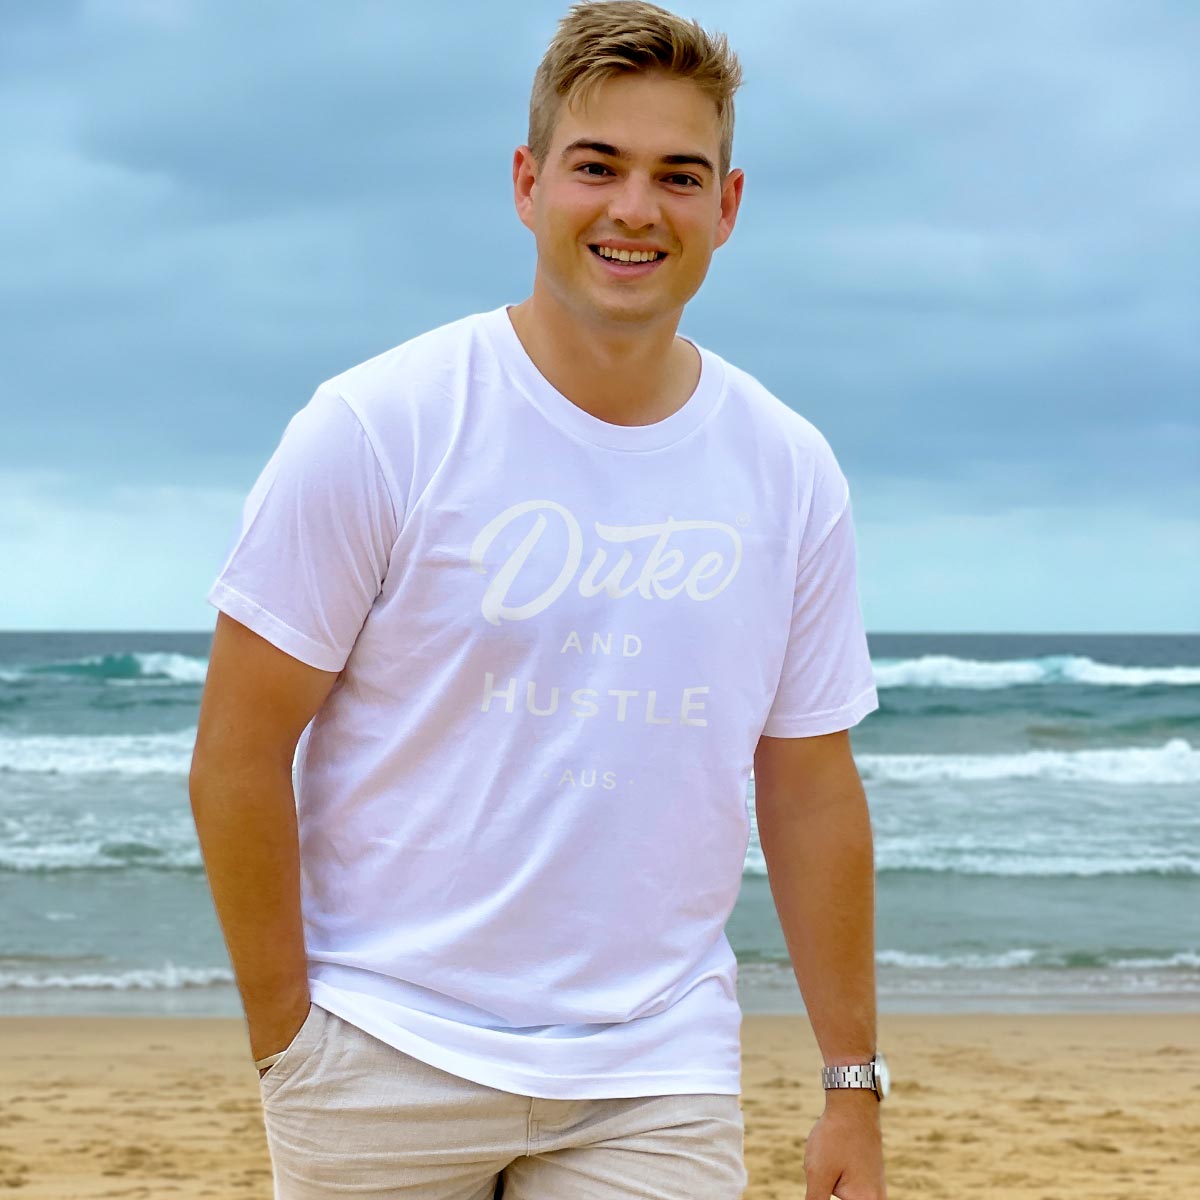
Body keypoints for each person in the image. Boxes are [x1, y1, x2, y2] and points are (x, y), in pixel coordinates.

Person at [189, 2, 888, 1197]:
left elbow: (809, 784)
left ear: (726, 206)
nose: (634, 209)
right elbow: (240, 750)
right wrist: (289, 1041)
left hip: (654, 1069)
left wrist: (850, 1084)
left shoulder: (788, 468)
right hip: (383, 1048)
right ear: (527, 183)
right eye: (596, 166)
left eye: (679, 174)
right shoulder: (380, 427)